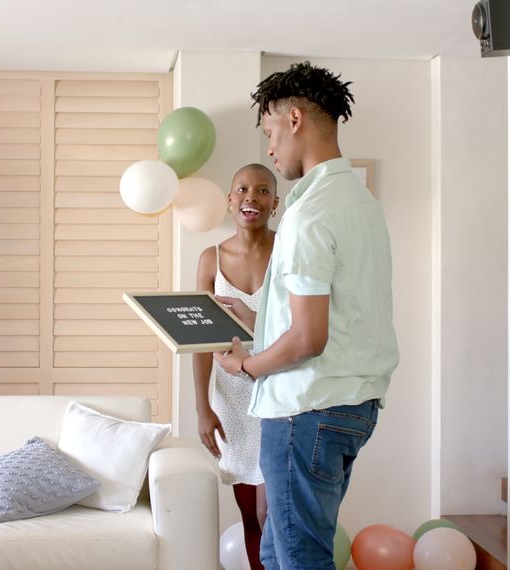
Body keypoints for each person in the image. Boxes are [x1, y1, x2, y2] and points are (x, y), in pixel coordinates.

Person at [215, 62, 399, 570]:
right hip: (352, 405)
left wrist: (247, 366)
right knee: (279, 551)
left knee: (298, 559)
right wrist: (257, 328)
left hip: (306, 412)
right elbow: (339, 320)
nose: (270, 150)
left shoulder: (308, 212)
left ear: (294, 119)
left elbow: (308, 338)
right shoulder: (361, 204)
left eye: (271, 133)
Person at [194, 163, 278, 570]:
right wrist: (201, 408)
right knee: (251, 515)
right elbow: (198, 341)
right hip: (232, 403)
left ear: (274, 204)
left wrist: (252, 320)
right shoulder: (210, 259)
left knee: (275, 515)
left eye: (262, 190)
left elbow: (303, 330)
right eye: (242, 189)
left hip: (280, 394)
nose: (251, 197)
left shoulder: (288, 254)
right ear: (229, 201)